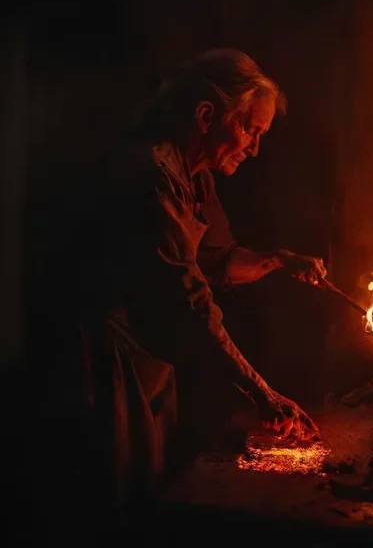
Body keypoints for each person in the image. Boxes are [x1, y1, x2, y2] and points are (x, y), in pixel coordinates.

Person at [35, 48, 327, 523]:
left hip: (148, 361)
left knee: (150, 483)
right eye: (250, 130)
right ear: (207, 114)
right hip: (105, 360)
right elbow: (192, 301)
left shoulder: (197, 179)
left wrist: (279, 260)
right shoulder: (152, 177)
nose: (254, 148)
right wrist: (262, 392)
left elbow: (216, 263)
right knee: (113, 498)